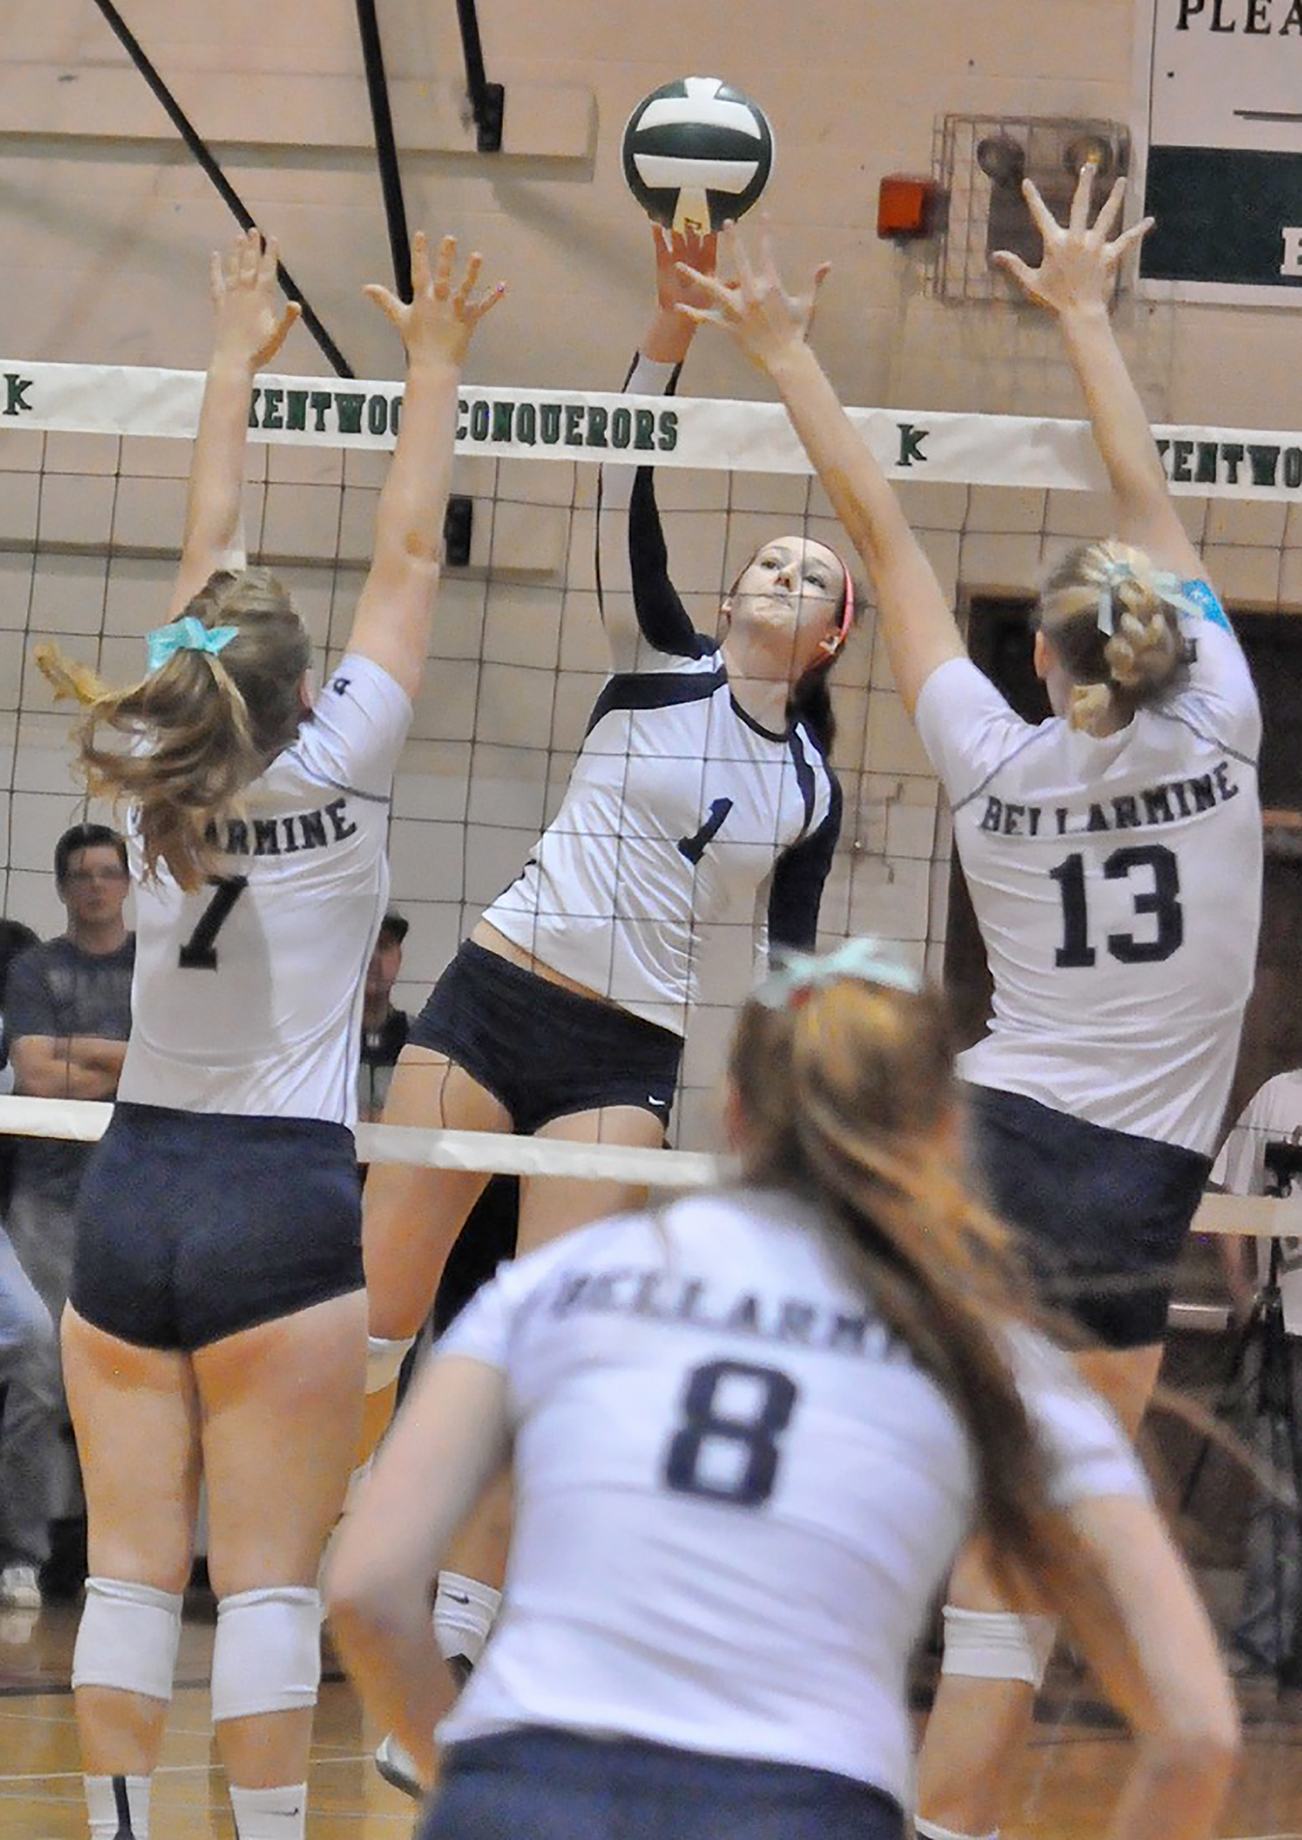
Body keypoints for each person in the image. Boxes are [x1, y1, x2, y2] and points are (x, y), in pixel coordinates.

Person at [677, 169, 1262, 1840]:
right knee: (1019, 1590)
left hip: (971, 1150)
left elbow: (883, 538)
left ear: (1049, 673)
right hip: (1118, 1194)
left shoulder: (993, 773)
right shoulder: (1219, 728)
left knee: (884, 1535)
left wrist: (789, 353)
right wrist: (1083, 312)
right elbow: (1144, 495)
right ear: (1163, 654)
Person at [327, 942, 1240, 1840]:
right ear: (946, 1130)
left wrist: (471, 1782)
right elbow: (1195, 1734)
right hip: (801, 1804)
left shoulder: (557, 1286)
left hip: (526, 1787)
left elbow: (367, 1589)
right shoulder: (992, 1354)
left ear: (732, 1114)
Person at [36, 225, 502, 1840]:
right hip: (281, 1203)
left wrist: (229, 361)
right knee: (269, 1596)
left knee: (127, 1575)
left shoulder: (157, 756)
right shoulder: (344, 760)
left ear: (190, 673)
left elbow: (207, 536)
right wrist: (433, 361)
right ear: (307, 696)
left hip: (138, 1190)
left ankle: (112, 1829)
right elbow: (409, 563)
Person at [360, 227, 856, 1667]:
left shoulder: (810, 790)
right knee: (384, 1317)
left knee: (544, 1346)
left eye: (805, 572)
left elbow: (787, 967)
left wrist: (791, 1135)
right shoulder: (655, 670)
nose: (775, 572)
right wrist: (665, 331)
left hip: (623, 1057)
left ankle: (466, 1628)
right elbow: (610, 498)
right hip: (492, 996)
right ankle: (322, 1557)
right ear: (722, 603)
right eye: (760, 558)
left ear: (835, 632)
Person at [0, 827, 134, 1611]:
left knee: (130, 1387)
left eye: (107, 873)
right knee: (41, 1378)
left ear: (126, 883)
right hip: (43, 1203)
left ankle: (116, 1562)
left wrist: (77, 1053)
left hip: (136, 1194)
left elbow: (164, 1065)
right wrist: (121, 1057)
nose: (94, 886)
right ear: (61, 888)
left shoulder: (157, 967)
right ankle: (19, 1553)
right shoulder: (34, 968)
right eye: (79, 875)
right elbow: (39, 1078)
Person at [1209, 1073, 1302, 1676]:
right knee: (1276, 1492)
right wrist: (1245, 1296)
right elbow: (1231, 1204)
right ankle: (1263, 1639)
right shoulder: (1282, 1094)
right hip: (1283, 1325)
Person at [359, 910, 411, 1124]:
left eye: (384, 946)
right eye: (365, 946)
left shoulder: (420, 1040)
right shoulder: (322, 1042)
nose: (374, 958)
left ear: (399, 958)